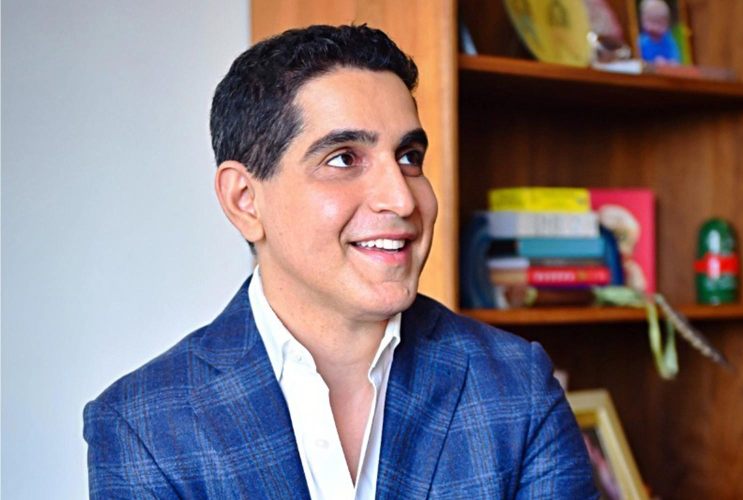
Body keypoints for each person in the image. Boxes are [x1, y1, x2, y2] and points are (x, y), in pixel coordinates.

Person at [84, 24, 597, 499]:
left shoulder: (516, 385)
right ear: (245, 200)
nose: (401, 199)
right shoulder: (143, 424)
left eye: (409, 157)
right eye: (344, 159)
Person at [638, 0, 680, 64]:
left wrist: (667, 63)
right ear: (643, 20)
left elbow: (675, 61)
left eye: (660, 23)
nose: (656, 27)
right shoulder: (642, 42)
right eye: (652, 22)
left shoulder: (669, 40)